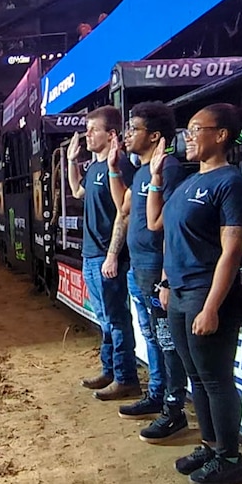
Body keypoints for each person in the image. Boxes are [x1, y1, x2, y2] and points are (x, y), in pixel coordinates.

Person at [147, 104, 242, 484]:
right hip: (179, 294)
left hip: (207, 294)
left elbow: (232, 251)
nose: (188, 137)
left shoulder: (231, 183)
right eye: (187, 130)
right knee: (196, 376)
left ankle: (230, 458)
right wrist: (156, 178)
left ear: (221, 135)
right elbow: (155, 223)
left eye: (196, 129)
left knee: (215, 379)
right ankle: (211, 447)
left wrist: (211, 306)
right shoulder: (188, 182)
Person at [111, 102, 189, 441]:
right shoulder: (142, 171)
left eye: (134, 129)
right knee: (154, 339)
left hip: (158, 272)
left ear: (155, 135)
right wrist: (114, 168)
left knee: (167, 343)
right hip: (138, 269)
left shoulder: (168, 169)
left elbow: (171, 228)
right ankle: (157, 395)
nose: (127, 134)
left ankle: (174, 408)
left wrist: (166, 279)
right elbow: (123, 209)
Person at [67, 106, 140, 401]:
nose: (87, 134)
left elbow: (124, 214)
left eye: (92, 129)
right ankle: (110, 370)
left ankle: (125, 377)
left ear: (111, 134)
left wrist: (112, 255)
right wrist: (71, 161)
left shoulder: (119, 167)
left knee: (117, 319)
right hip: (91, 255)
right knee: (105, 318)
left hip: (108, 257)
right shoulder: (95, 167)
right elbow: (77, 193)